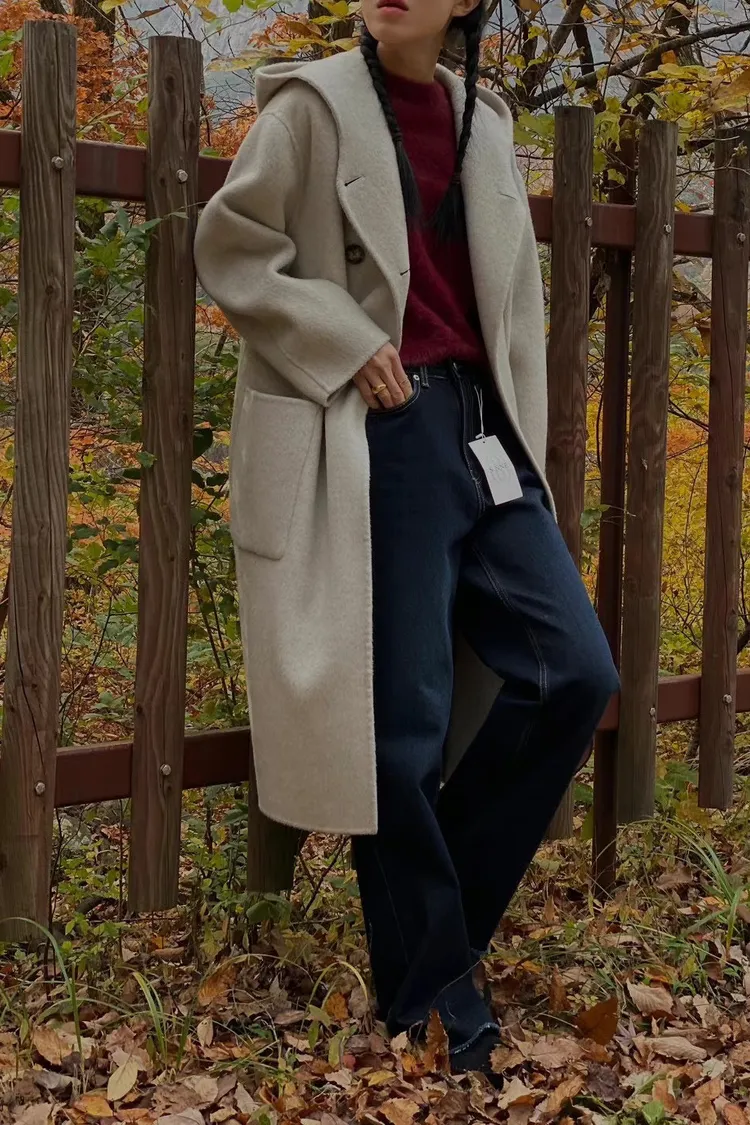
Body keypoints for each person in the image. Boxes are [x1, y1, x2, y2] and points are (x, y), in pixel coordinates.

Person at [194, 0, 619, 1081]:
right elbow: (234, 248)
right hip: (374, 432)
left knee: (573, 671)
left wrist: (517, 424)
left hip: (484, 430)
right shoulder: (312, 107)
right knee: (402, 727)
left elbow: (510, 303)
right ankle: (430, 990)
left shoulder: (486, 121)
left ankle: (432, 927)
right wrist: (345, 339)